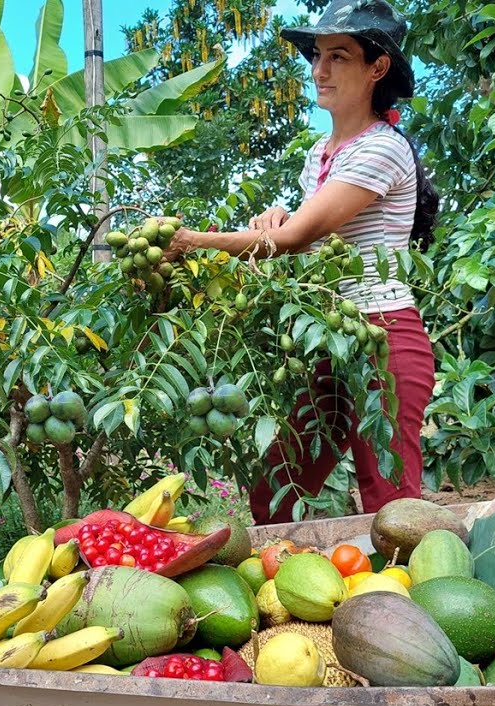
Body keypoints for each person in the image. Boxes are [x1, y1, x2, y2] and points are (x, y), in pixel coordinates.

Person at [164, 0, 439, 524]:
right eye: (317, 55)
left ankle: (411, 580)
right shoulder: (320, 154)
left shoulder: (383, 148)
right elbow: (309, 236)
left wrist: (193, 241)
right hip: (331, 337)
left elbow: (296, 240)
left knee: (391, 506)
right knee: (276, 491)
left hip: (383, 337)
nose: (319, 70)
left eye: (339, 56)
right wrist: (279, 220)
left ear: (377, 68)